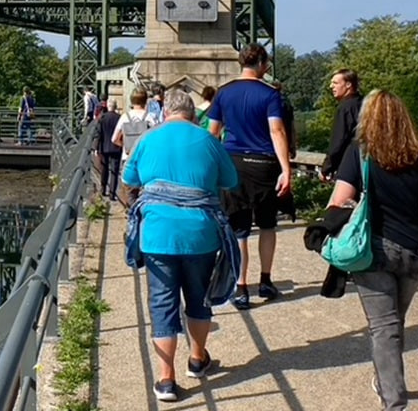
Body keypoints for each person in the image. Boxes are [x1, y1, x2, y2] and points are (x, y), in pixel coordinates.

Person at [329, 89, 418, 411]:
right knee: (393, 324)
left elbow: (337, 202)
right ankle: (386, 383)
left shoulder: (359, 152)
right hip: (413, 252)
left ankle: (394, 403)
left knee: (384, 328)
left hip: (372, 251)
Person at [122, 89, 238, 403]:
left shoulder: (148, 138)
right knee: (198, 298)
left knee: (162, 305)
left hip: (158, 234)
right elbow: (231, 181)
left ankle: (165, 380)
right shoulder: (209, 141)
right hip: (201, 233)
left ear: (166, 112)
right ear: (191, 113)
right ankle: (198, 360)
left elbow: (129, 177)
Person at [207, 43, 292, 309]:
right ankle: (266, 281)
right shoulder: (270, 94)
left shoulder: (223, 93)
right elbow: (277, 131)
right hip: (264, 163)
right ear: (261, 64)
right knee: (267, 225)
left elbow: (213, 133)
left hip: (233, 164)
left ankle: (241, 287)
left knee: (240, 229)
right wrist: (286, 169)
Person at [113, 87, 154, 206]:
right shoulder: (150, 117)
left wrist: (125, 145)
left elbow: (114, 139)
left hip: (128, 158)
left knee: (130, 193)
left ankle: (131, 214)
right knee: (145, 191)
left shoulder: (125, 117)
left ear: (131, 100)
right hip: (146, 159)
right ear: (145, 100)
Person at [323, 68, 361, 180]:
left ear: (348, 84)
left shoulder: (345, 108)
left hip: (350, 165)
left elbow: (338, 142)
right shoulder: (365, 103)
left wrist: (326, 168)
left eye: (335, 83)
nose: (331, 86)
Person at [97, 99, 123, 199]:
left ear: (108, 106)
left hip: (104, 147)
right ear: (115, 107)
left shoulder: (102, 118)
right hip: (116, 147)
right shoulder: (119, 118)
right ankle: (112, 194)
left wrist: (96, 147)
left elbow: (99, 134)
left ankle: (103, 189)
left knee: (104, 169)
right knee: (114, 171)